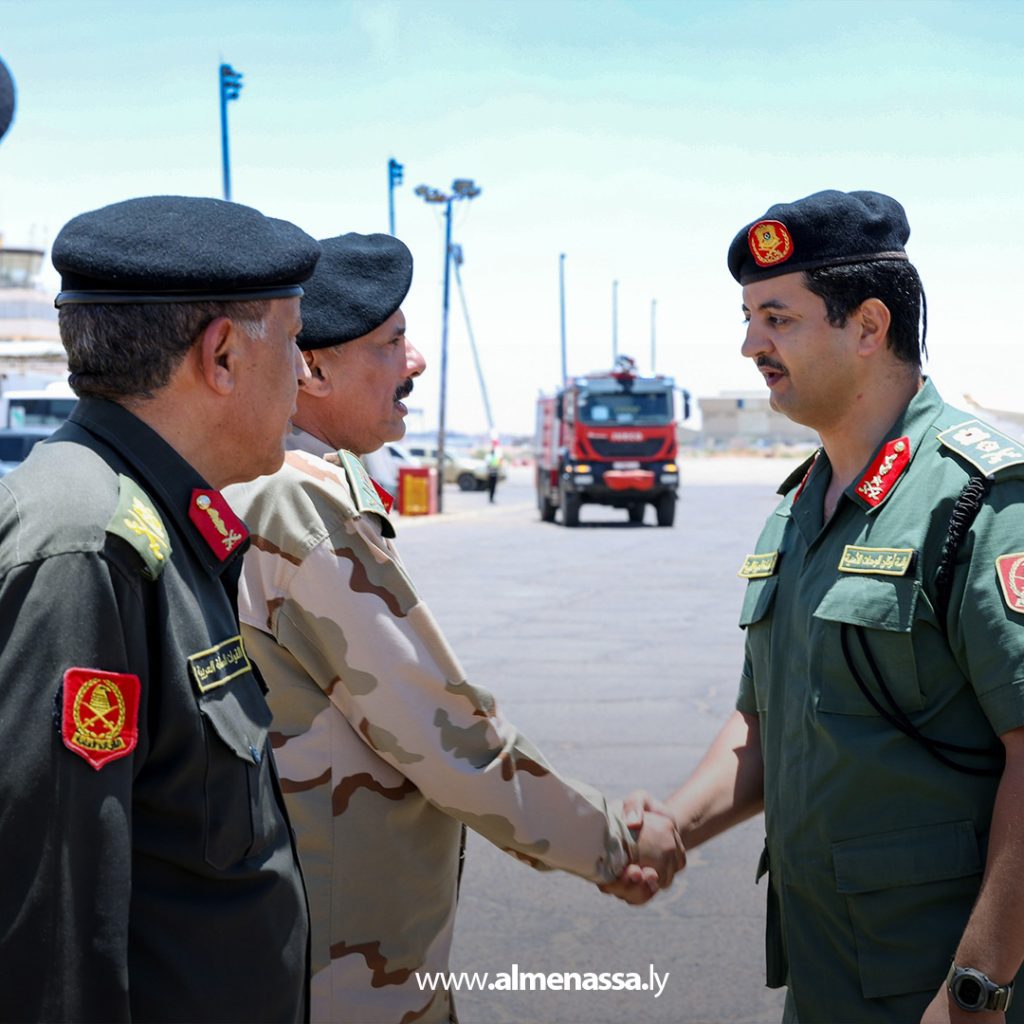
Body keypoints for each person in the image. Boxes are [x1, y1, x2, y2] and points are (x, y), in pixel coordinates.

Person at [224, 232, 684, 1024]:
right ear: (313, 369)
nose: (416, 363)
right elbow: (443, 735)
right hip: (338, 973)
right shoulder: (294, 500)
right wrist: (611, 843)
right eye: (391, 342)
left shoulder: (270, 481)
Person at [613, 190, 1024, 1022]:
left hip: (942, 983)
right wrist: (674, 826)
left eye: (777, 318)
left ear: (868, 327)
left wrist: (976, 990)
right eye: (748, 318)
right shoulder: (800, 505)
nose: (749, 345)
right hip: (824, 973)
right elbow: (765, 723)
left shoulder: (978, 501)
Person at [0, 195, 321, 1022]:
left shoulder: (151, 518)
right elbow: (54, 930)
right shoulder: (89, 544)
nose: (304, 372)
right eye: (293, 341)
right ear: (222, 356)